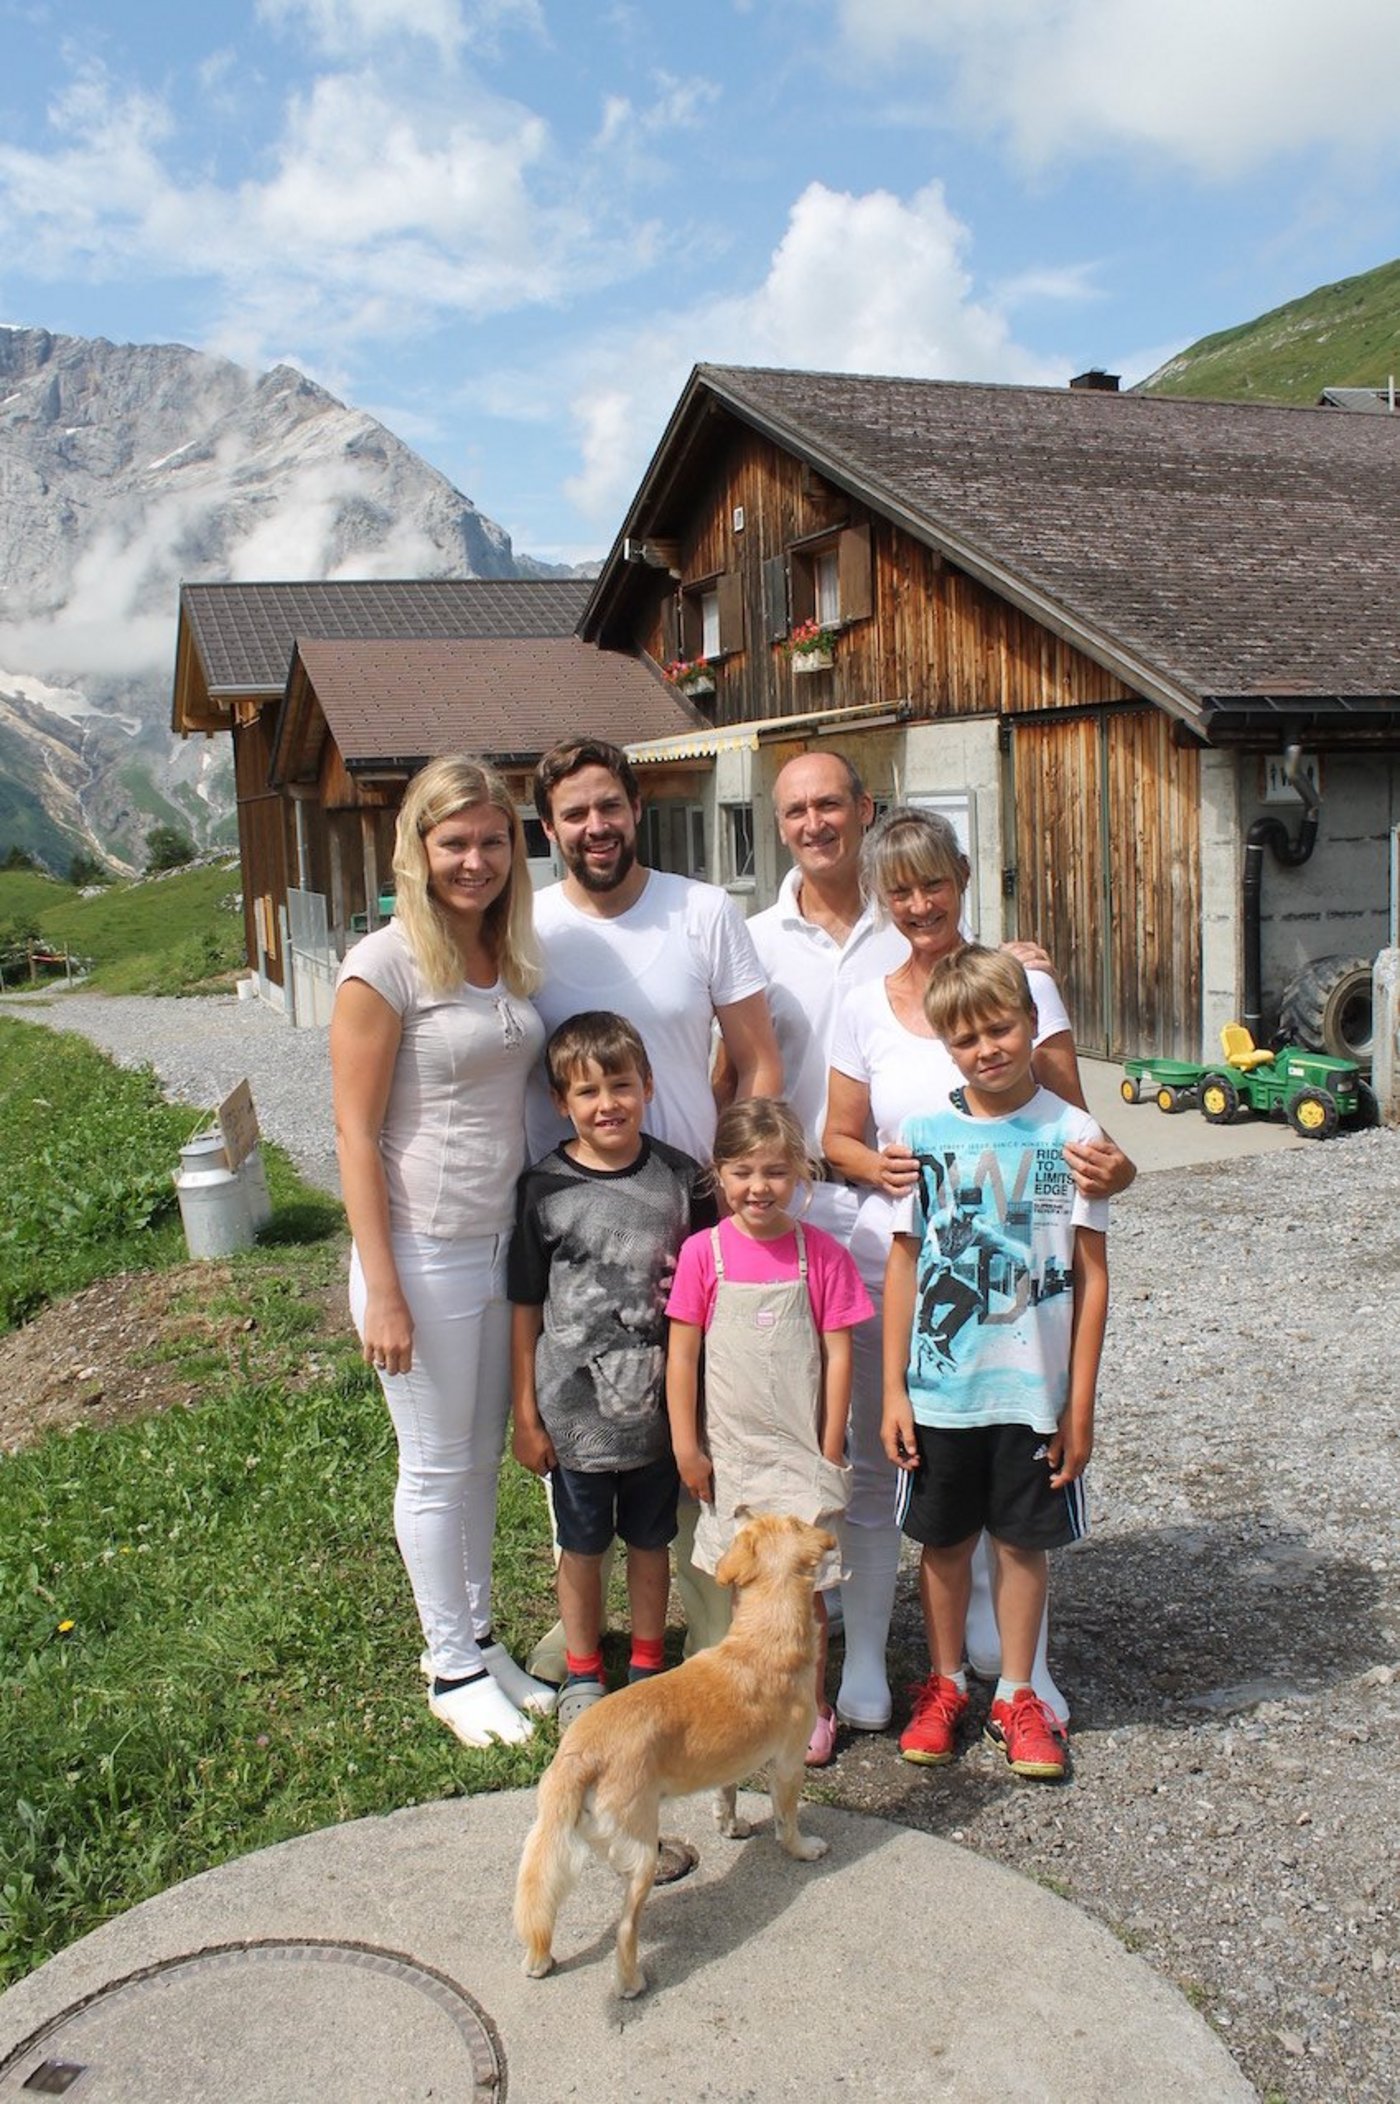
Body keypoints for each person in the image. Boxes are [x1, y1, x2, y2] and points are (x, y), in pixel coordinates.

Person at [824, 803, 1133, 1733]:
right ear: (881, 900)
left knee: (1017, 1505)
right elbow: (839, 1137)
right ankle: (897, 1666)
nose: (920, 903)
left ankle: (1021, 1677)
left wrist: (1122, 1169)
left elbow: (1082, 1135)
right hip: (918, 1286)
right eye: (900, 890)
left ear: (963, 878)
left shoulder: (1017, 979)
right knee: (908, 1487)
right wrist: (877, 1166)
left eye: (935, 883)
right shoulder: (864, 1006)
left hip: (1026, 1313)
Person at [525, 735, 783, 1669]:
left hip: (694, 1212)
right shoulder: (529, 927)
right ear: (548, 828)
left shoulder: (702, 911)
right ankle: (584, 1627)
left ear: (636, 809)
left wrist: (738, 1182)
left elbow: (757, 1059)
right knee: (588, 1416)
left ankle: (714, 1627)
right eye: (574, 813)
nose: (595, 826)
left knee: (704, 1421)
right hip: (580, 1223)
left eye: (609, 806)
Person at [330, 755, 555, 1750]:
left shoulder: (502, 952)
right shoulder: (383, 965)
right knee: (432, 1464)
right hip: (420, 1252)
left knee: (478, 1462)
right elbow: (353, 1133)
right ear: (417, 849)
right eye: (454, 841)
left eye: (492, 840)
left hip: (497, 1243)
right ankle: (448, 1665)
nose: (475, 860)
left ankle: (479, 1639)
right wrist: (381, 1287)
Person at [882, 947, 1110, 1780]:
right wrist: (893, 1389)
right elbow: (905, 1263)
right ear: (945, 1045)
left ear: (1031, 1021)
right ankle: (944, 1685)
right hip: (941, 1393)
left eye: (1001, 1028)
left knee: (1021, 1545)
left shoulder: (1074, 1134)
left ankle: (1018, 1693)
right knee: (942, 1546)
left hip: (1035, 1396)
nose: (987, 1049)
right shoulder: (921, 1136)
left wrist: (1078, 1405)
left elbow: (1092, 1275)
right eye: (966, 1037)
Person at [508, 1012, 714, 1729]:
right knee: (582, 1545)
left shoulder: (683, 1181)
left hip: (659, 1417)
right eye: (587, 1091)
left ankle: (649, 1666)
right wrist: (526, 1415)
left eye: (621, 1085)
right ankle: (584, 1672)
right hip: (574, 1420)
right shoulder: (542, 1188)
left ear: (648, 1086)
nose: (607, 1104)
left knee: (653, 1543)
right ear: (560, 1102)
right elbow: (525, 1307)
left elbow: (705, 1299)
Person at [666, 1098, 872, 1767]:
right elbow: (683, 1355)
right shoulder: (703, 1255)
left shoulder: (823, 1256)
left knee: (804, 1595)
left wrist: (830, 1446)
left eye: (776, 1172)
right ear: (719, 1173)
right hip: (731, 1456)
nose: (759, 1187)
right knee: (742, 1592)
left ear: (800, 1175)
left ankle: (809, 1707)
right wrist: (686, 1445)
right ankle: (749, 1708)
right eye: (744, 1172)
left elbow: (838, 1355)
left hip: (800, 1453)